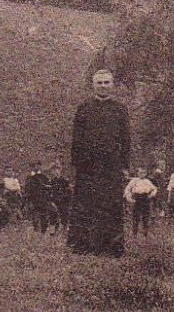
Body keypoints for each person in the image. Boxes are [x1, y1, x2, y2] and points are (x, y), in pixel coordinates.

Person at [68, 68, 131, 256]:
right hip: (87, 166)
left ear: (112, 85)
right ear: (93, 85)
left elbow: (126, 140)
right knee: (85, 204)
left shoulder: (120, 109)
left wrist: (124, 166)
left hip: (111, 165)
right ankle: (82, 246)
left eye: (106, 83)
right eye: (99, 83)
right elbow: (76, 139)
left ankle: (111, 248)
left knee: (110, 205)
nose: (103, 86)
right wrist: (77, 164)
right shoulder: (84, 108)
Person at [125, 167, 158, 238]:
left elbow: (154, 189)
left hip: (145, 199)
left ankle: (145, 235)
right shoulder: (134, 181)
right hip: (137, 199)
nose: (142, 174)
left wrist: (151, 195)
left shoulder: (147, 181)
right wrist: (129, 198)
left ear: (146, 173)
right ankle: (134, 234)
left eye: (144, 173)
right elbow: (127, 189)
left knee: (145, 217)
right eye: (140, 173)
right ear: (137, 173)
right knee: (136, 217)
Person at [25, 161, 53, 233]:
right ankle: (36, 231)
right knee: (35, 217)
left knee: (44, 216)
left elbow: (50, 187)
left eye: (37, 166)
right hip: (33, 200)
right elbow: (27, 190)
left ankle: (43, 231)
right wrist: (28, 200)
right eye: (33, 166)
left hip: (43, 200)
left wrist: (47, 189)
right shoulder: (29, 178)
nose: (35, 167)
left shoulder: (44, 177)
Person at [46, 163, 71, 231]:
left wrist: (65, 198)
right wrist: (51, 201)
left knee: (64, 215)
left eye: (56, 170)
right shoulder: (51, 182)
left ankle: (65, 228)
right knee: (53, 214)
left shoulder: (64, 181)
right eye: (53, 170)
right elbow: (48, 193)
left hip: (63, 201)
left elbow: (68, 192)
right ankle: (54, 229)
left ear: (59, 170)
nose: (55, 172)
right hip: (54, 201)